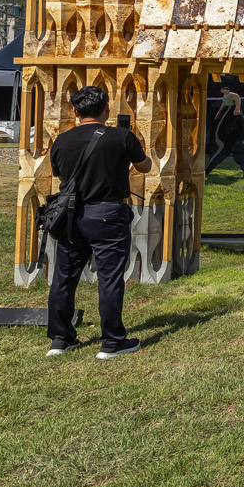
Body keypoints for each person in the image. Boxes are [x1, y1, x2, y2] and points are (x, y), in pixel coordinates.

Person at [46, 86, 151, 359]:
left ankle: (60, 338)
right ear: (107, 108)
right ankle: (112, 341)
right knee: (109, 278)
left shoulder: (61, 141)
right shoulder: (121, 137)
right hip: (108, 213)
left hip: (70, 216)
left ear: (75, 111)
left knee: (64, 277)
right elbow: (145, 166)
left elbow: (59, 173)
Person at [204, 85, 244, 178]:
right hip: (229, 119)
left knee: (231, 144)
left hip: (231, 118)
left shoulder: (231, 98)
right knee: (230, 143)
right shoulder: (225, 101)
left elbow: (236, 98)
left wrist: (237, 108)